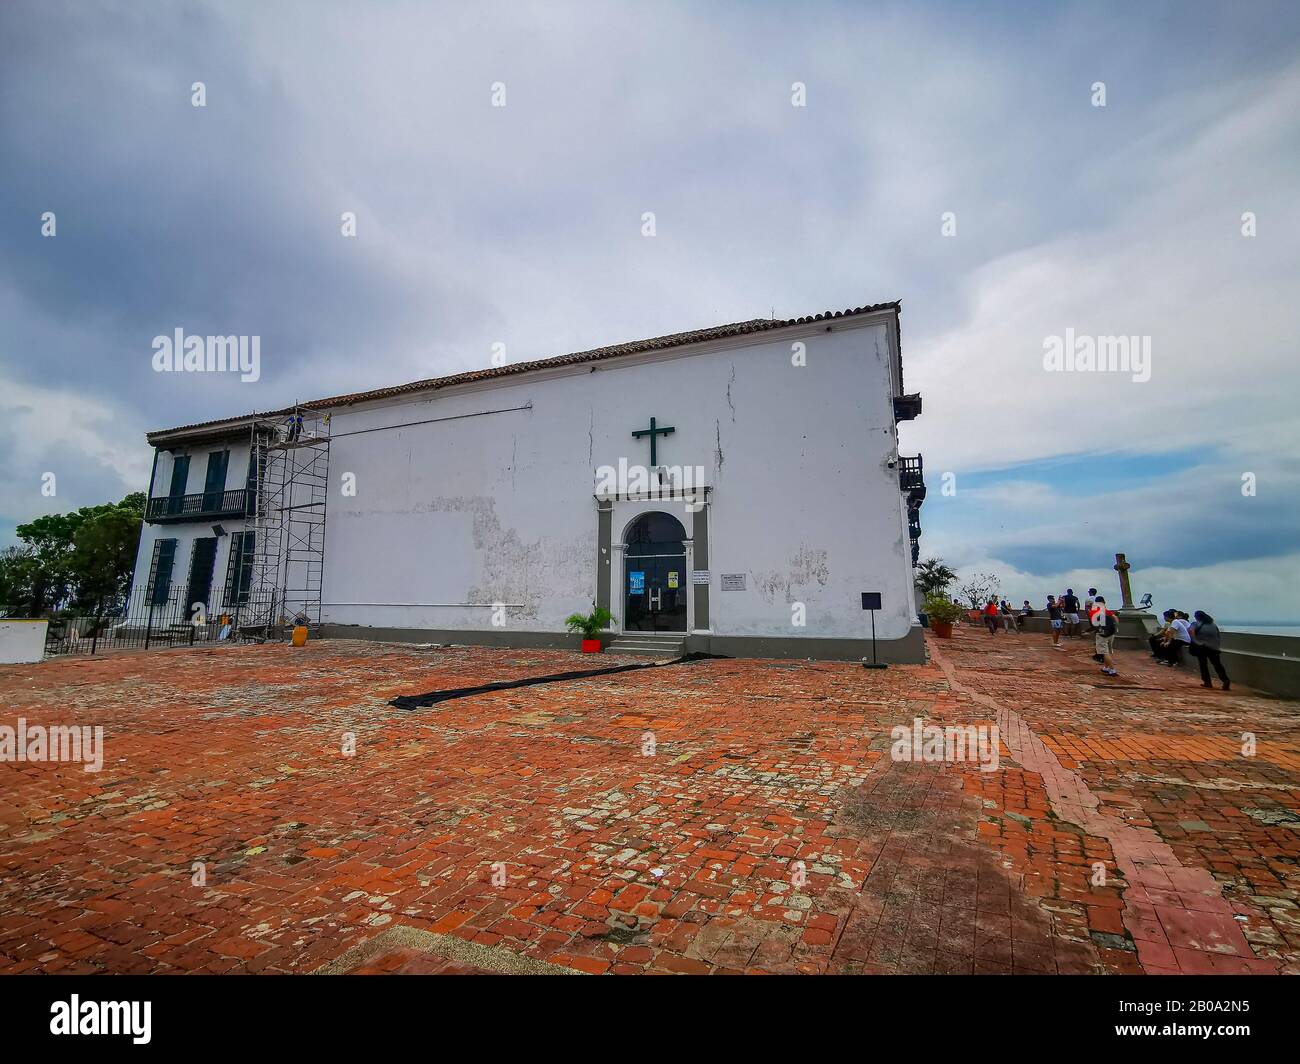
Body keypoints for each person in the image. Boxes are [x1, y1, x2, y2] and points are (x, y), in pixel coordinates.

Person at [1190, 610, 1231, 690]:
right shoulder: (1213, 625)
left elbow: (1192, 633)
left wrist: (1197, 642)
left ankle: (1207, 682)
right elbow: (1218, 636)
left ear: (1197, 617)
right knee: (1217, 665)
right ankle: (1225, 680)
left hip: (1202, 647)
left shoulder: (1196, 624)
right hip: (1214, 648)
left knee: (1203, 665)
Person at [1092, 595, 1119, 676]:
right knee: (1108, 651)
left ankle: (1112, 669)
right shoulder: (1106, 610)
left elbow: (1095, 623)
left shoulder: (1095, 610)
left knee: (1104, 652)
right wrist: (1116, 627)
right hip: (1111, 633)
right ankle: (1106, 667)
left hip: (1102, 634)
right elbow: (1115, 618)